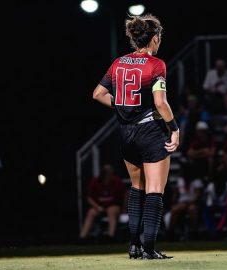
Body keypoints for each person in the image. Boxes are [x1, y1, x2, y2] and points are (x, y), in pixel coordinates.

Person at [92, 14, 178, 259]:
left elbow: (98, 93)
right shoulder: (156, 64)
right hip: (150, 131)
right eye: (159, 37)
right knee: (154, 190)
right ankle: (149, 248)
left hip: (126, 133)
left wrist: (121, 108)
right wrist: (175, 128)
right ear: (154, 38)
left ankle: (133, 246)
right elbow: (160, 103)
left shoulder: (118, 63)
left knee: (137, 188)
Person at [79, 164, 126, 241]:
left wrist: (124, 208)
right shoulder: (95, 182)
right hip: (99, 206)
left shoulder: (117, 181)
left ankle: (111, 236)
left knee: (111, 211)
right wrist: (97, 207)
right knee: (91, 213)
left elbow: (125, 195)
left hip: (113, 205)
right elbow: (89, 198)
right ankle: (82, 237)